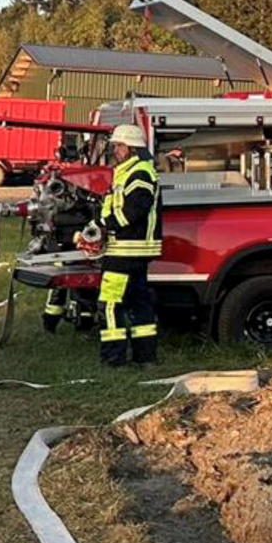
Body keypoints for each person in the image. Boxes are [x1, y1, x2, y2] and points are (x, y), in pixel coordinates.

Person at [93, 124, 163, 367]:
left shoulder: (140, 173)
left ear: (133, 148)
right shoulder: (127, 171)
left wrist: (105, 227)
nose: (116, 150)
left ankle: (114, 360)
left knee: (110, 305)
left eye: (120, 146)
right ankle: (146, 358)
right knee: (139, 304)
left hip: (125, 250)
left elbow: (134, 212)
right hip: (130, 251)